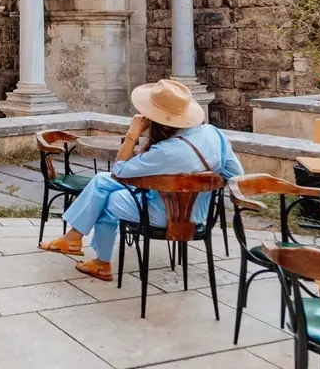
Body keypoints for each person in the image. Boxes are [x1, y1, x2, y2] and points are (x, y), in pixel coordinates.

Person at [39, 79, 244, 281]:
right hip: (200, 215)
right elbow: (235, 173)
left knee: (108, 200)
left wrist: (133, 132)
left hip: (165, 216)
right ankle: (74, 238)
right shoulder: (214, 134)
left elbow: (120, 170)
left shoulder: (164, 152)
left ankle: (101, 262)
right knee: (102, 181)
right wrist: (202, 181)